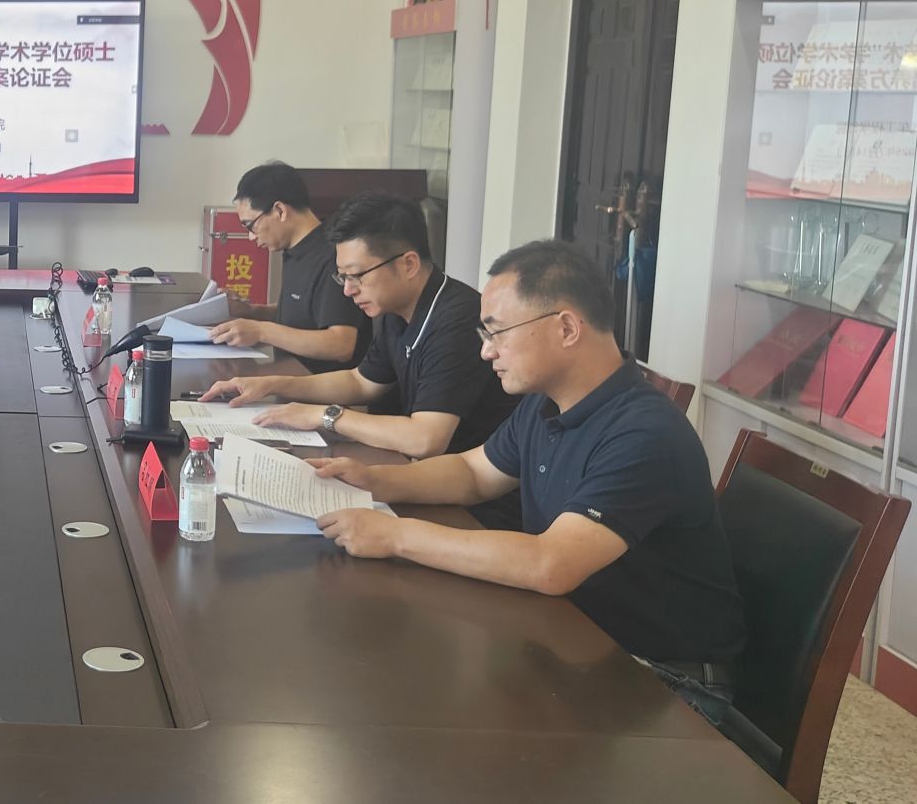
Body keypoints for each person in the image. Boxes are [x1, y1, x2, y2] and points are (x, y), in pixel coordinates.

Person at [307, 239, 751, 740]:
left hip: (665, 679)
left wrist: (394, 535)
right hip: (577, 636)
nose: (485, 351)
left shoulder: (643, 432)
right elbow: (475, 472)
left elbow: (550, 564)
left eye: (496, 332)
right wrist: (374, 480)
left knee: (447, 722)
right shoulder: (548, 402)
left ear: (566, 328)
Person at [202, 191, 517, 459]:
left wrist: (323, 416)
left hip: (467, 494)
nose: (348, 290)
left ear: (408, 264)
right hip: (419, 469)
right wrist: (271, 384)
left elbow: (425, 439)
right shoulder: (396, 308)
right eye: (343, 277)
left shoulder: (457, 321)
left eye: (357, 276)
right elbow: (360, 382)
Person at [206, 162, 371, 373]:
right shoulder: (295, 251)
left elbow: (340, 344)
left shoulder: (333, 256)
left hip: (323, 386)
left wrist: (260, 331)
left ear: (280, 211)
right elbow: (304, 313)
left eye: (251, 225)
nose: (251, 237)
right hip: (292, 374)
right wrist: (253, 312)